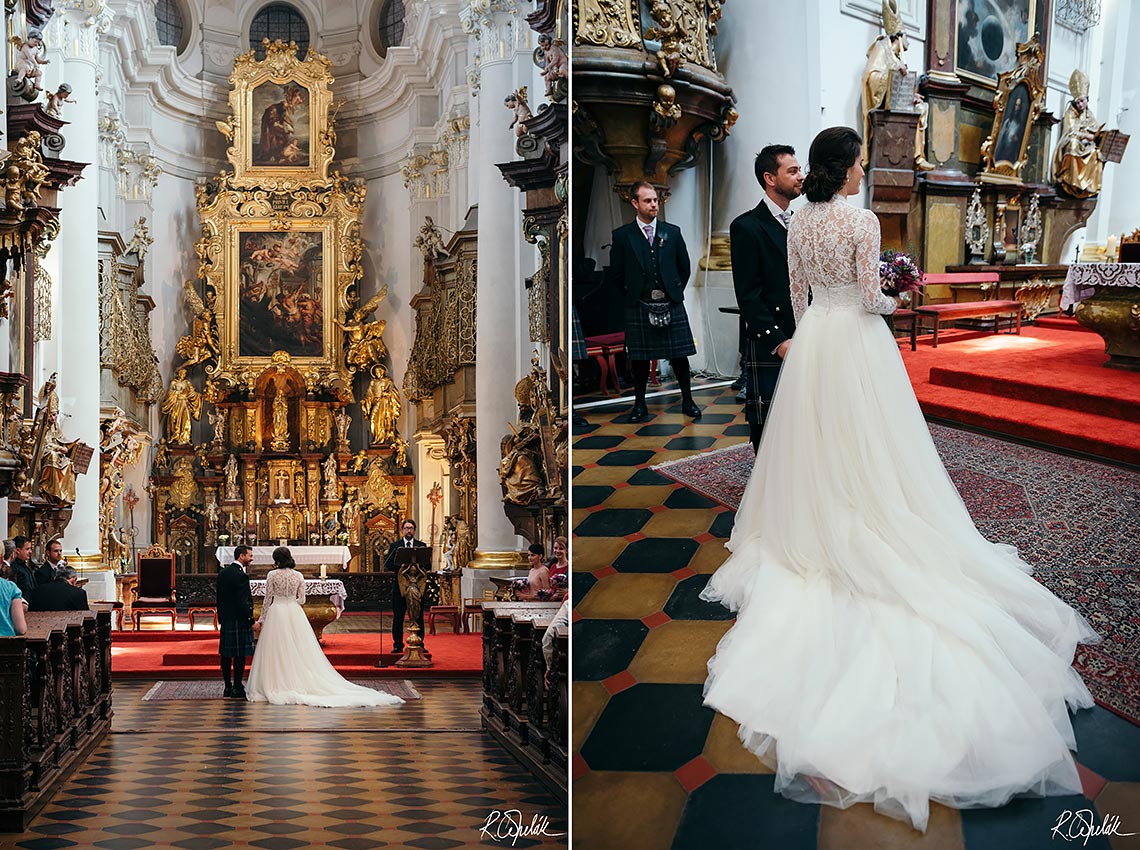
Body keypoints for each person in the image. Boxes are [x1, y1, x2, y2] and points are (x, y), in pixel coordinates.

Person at [699, 126, 1097, 834]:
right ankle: (869, 517)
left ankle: (817, 522)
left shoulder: (797, 223)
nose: (862, 170)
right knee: (877, 450)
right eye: (859, 162)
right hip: (856, 341)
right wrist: (894, 293)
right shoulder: (861, 220)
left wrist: (819, 331)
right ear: (848, 168)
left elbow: (798, 299)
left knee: (814, 446)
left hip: (817, 342)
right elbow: (868, 298)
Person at [246, 547, 404, 707]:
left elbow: (267, 600)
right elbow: (302, 600)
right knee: (298, 647)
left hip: (277, 611)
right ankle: (296, 680)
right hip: (294, 612)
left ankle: (275, 681)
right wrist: (291, 602)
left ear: (276, 560)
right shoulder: (298, 575)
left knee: (276, 648)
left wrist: (261, 620)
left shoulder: (272, 575)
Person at [731, 145, 804, 453]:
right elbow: (748, 296)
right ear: (770, 178)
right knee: (767, 423)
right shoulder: (747, 226)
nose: (801, 176)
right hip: (772, 340)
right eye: (793, 171)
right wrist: (778, 341)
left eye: (799, 169)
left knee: (802, 416)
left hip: (806, 332)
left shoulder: (801, 222)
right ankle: (766, 490)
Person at [608, 181, 700, 423]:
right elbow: (616, 274)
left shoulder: (673, 232)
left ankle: (688, 400)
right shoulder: (622, 236)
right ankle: (640, 405)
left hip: (671, 302)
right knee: (639, 359)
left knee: (680, 356)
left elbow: (684, 267)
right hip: (639, 303)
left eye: (656, 200)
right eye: (648, 200)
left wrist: (673, 292)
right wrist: (632, 296)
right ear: (635, 203)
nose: (653, 204)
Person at [383, 519, 428, 654]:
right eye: (406, 528)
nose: (409, 530)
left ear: (414, 530)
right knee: (398, 616)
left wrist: (419, 565)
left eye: (411, 528)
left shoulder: (421, 546)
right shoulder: (396, 546)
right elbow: (388, 564)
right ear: (402, 530)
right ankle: (397, 644)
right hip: (400, 586)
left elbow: (428, 565)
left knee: (418, 616)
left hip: (417, 586)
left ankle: (420, 643)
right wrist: (400, 566)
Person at [217, 544, 256, 699]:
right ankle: (238, 686)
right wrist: (250, 620)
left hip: (227, 618)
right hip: (238, 619)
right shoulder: (241, 575)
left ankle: (227, 686)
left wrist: (221, 617)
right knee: (239, 655)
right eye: (250, 556)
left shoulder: (223, 573)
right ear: (242, 556)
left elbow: (219, 598)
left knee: (226, 654)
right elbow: (243, 602)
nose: (251, 559)